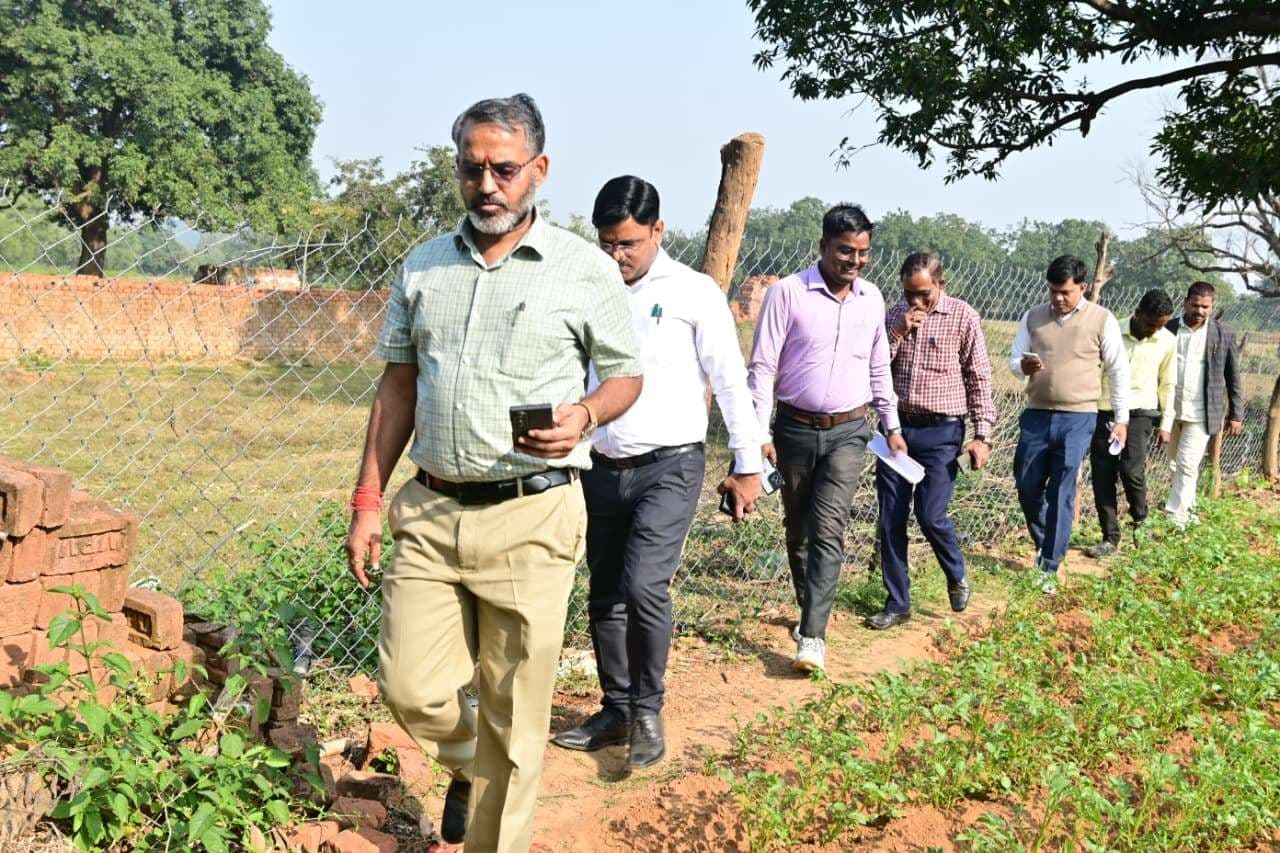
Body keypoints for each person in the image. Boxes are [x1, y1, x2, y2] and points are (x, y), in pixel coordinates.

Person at [343, 94, 644, 852]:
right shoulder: (424, 265)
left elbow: (625, 375)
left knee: (517, 711)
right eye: (472, 168)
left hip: (532, 514)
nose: (487, 185)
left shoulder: (583, 269)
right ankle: (476, 762)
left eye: (504, 170)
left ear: (538, 169)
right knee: (410, 687)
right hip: (431, 508)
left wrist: (586, 414)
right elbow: (397, 388)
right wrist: (368, 499)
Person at [550, 176, 763, 769]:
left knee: (644, 585)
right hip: (601, 464)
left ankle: (647, 710)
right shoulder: (590, 290)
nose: (616, 256)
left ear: (658, 231)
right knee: (604, 592)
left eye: (628, 244)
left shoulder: (693, 292)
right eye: (606, 243)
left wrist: (747, 464)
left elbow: (729, 380)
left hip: (669, 464)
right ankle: (616, 708)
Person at [747, 203, 904, 672]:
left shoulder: (871, 299)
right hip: (794, 429)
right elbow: (762, 367)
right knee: (798, 529)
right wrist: (758, 432)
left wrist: (891, 425)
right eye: (845, 251)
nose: (854, 261)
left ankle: (814, 636)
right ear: (823, 246)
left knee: (829, 528)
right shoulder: (788, 294)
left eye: (863, 252)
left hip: (849, 432)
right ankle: (807, 610)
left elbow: (879, 365)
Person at [871, 252, 996, 629]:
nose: (916, 302)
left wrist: (982, 435)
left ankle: (955, 573)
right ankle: (898, 603)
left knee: (930, 513)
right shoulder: (894, 316)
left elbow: (978, 376)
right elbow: (875, 367)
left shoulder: (963, 316)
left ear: (940, 284)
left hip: (942, 432)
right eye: (909, 293)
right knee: (890, 518)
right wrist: (897, 332)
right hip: (897, 430)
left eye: (924, 294)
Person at [1009, 255, 1129, 594]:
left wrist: (1121, 418)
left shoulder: (1102, 320)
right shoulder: (1033, 316)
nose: (1058, 298)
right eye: (1053, 291)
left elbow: (1118, 369)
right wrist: (1022, 367)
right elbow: (1014, 360)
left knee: (1062, 488)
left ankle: (1049, 564)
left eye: (1065, 292)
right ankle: (1047, 540)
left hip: (1079, 416)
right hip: (1036, 413)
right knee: (1026, 484)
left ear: (1083, 287)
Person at [1084, 289, 1175, 558]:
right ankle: (1109, 537)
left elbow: (1168, 384)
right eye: (1150, 324)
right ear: (1137, 313)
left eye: (1160, 326)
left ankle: (1140, 523)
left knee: (1131, 471)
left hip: (1140, 412)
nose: (1154, 331)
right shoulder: (1111, 331)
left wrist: (1166, 423)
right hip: (1105, 409)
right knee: (1103, 475)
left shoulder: (1167, 341)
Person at [1164, 281, 1245, 529]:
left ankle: (1175, 518)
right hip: (1169, 410)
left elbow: (1233, 375)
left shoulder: (1223, 333)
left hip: (1202, 411)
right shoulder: (1168, 328)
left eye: (1205, 307)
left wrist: (1236, 413)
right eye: (1195, 305)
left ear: (1212, 306)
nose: (1200, 311)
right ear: (1185, 302)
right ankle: (1188, 511)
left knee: (1187, 464)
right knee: (1176, 464)